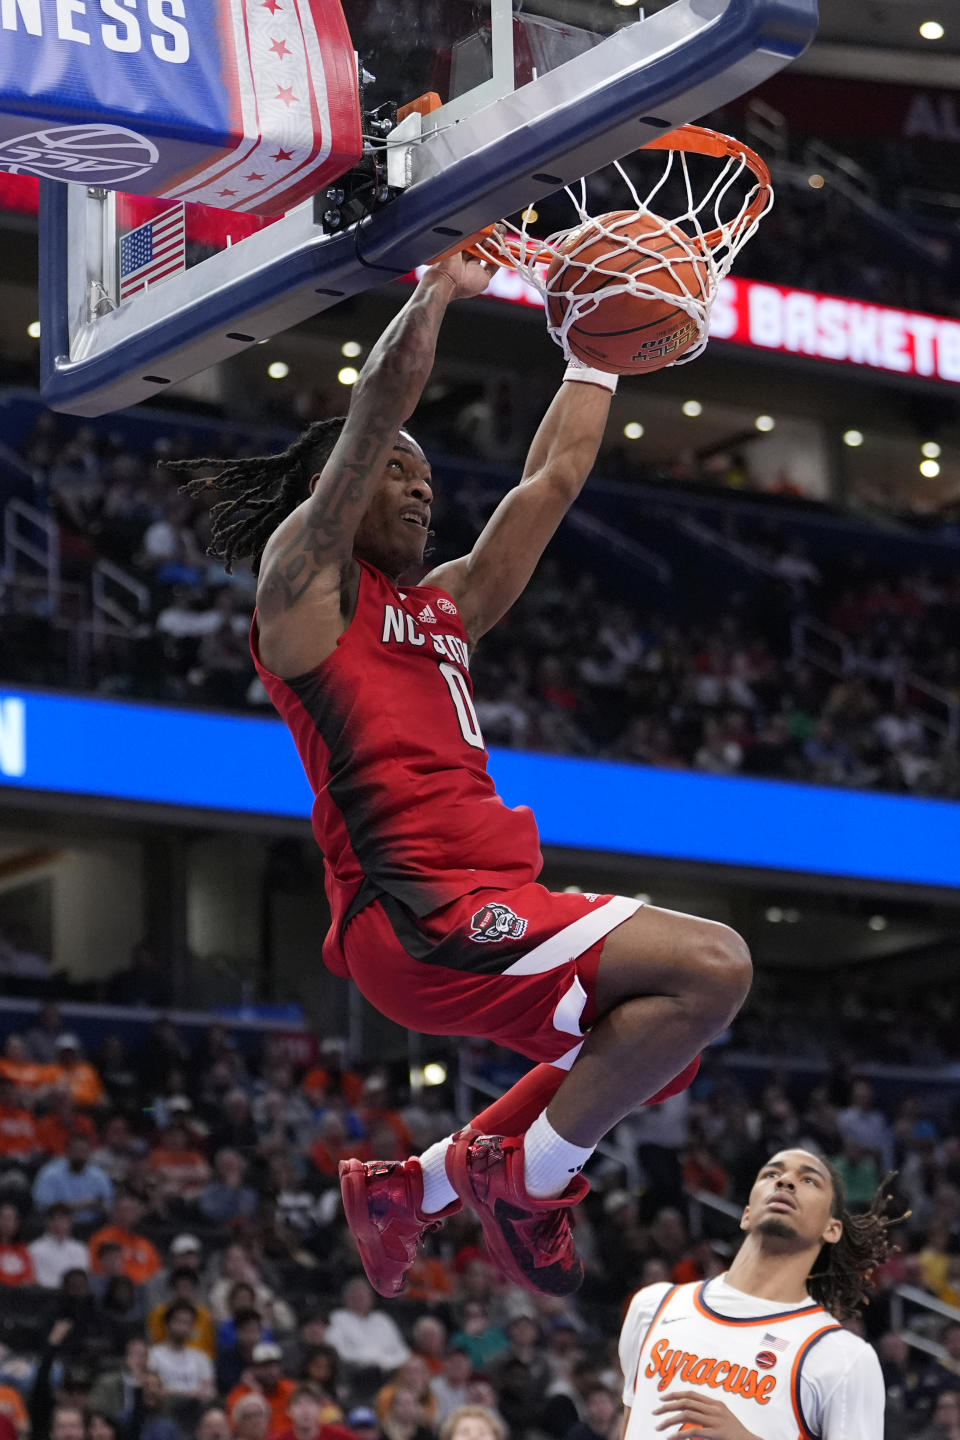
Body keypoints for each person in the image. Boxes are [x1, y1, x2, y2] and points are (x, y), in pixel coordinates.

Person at [168, 251, 751, 1300]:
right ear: (333, 490)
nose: (420, 487)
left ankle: (416, 1189)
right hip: (421, 912)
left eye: (428, 478)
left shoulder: (443, 607)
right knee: (714, 965)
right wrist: (438, 287)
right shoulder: (306, 593)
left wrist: (595, 349)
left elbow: (553, 480)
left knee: (658, 1040)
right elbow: (373, 414)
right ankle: (530, 1183)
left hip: (486, 899)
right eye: (400, 471)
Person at [618, 1148, 891, 1439]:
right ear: (747, 1214)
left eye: (809, 1180)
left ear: (832, 1229)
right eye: (772, 1174)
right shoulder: (653, 1305)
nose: (785, 1182)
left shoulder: (843, 1357)